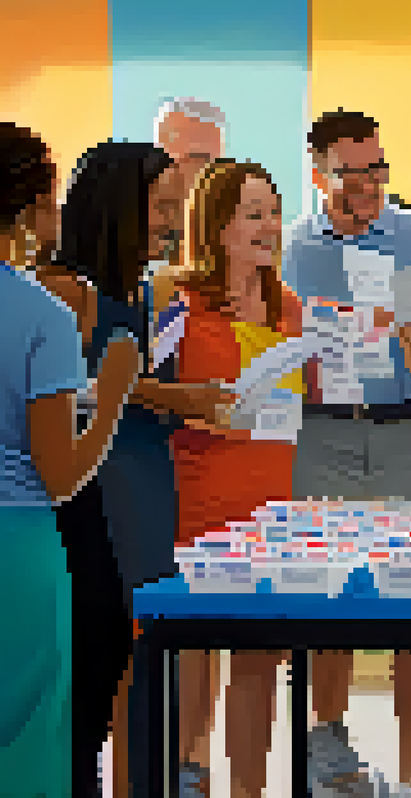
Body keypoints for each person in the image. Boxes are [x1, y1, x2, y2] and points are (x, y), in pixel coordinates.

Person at [51, 140, 235, 798]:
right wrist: (170, 396)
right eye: (161, 207)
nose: (170, 222)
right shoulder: (66, 290)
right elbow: (72, 390)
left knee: (126, 659)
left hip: (146, 480)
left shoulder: (139, 289)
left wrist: (187, 400)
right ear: (116, 208)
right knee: (88, 668)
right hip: (96, 492)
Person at [282, 109, 411, 795]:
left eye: (377, 168)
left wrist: (407, 331)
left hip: (410, 429)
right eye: (351, 172)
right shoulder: (293, 248)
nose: (368, 184)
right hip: (322, 431)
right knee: (329, 598)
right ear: (320, 173)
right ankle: (327, 745)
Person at [0, 121, 142, 797]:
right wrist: (112, 394)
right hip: (18, 548)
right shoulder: (41, 315)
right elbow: (60, 473)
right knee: (28, 739)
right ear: (30, 209)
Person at [164, 159, 307, 798]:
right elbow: (146, 395)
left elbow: (301, 401)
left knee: (257, 663)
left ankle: (248, 788)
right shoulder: (178, 301)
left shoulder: (289, 306)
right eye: (254, 214)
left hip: (269, 508)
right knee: (192, 659)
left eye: (273, 212)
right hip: (198, 504)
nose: (269, 226)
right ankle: (187, 773)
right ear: (217, 226)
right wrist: (201, 402)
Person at [150, 97, 227, 315]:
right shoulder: (130, 225)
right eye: (194, 158)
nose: (204, 172)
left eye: (213, 161)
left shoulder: (234, 229)